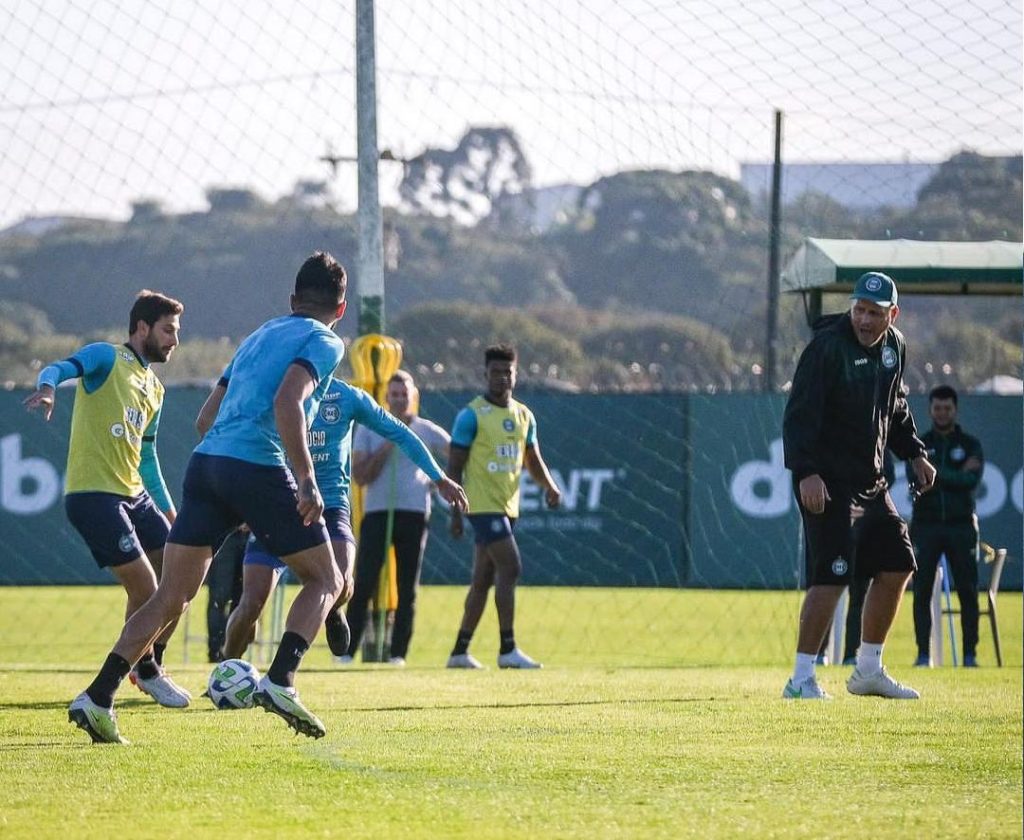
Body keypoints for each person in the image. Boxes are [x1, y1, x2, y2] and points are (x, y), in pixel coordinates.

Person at [67, 251, 467, 745]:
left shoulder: (257, 337)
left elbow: (205, 418)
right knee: (328, 577)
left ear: (292, 299)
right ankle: (281, 679)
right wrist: (303, 478)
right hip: (258, 466)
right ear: (341, 310)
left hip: (207, 463)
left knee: (171, 596)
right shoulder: (324, 340)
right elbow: (288, 401)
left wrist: (234, 495)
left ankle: (98, 695)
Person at [217, 371, 455, 665]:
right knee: (251, 603)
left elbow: (401, 432)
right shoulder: (273, 395)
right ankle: (225, 666)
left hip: (329, 508)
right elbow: (246, 447)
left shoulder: (347, 397)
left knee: (342, 582)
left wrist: (440, 478)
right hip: (278, 508)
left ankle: (296, 654)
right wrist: (246, 503)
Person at [24, 290, 191, 709]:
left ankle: (145, 663)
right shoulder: (106, 357)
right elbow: (58, 367)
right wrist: (47, 389)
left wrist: (168, 511)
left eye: (177, 331)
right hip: (94, 495)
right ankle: (145, 669)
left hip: (135, 494)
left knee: (181, 580)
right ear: (142, 328)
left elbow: (147, 457)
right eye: (168, 330)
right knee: (148, 587)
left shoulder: (155, 387)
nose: (174, 340)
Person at [782, 271, 936, 700]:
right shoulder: (826, 349)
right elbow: (798, 416)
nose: (864, 320)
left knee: (899, 564)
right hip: (828, 484)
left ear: (893, 314)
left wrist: (916, 453)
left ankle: (868, 669)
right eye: (859, 310)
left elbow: (896, 408)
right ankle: (800, 680)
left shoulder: (895, 347)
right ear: (851, 307)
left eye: (874, 313)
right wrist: (806, 472)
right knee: (832, 576)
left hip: (872, 482)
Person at [446, 344, 561, 670]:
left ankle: (459, 651)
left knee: (483, 579)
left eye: (507, 372)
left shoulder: (524, 415)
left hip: (508, 506)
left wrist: (549, 486)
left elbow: (532, 459)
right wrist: (455, 512)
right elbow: (455, 466)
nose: (501, 378)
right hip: (481, 505)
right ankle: (508, 648)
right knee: (510, 567)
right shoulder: (471, 415)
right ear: (485, 375)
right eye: (495, 372)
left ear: (516, 374)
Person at [342, 370, 451, 666]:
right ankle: (348, 652)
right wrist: (392, 441)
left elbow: (455, 453)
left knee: (407, 586)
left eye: (405, 394)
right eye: (394, 395)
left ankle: (398, 653)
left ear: (413, 396)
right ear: (386, 397)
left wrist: (439, 481)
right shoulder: (369, 429)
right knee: (363, 582)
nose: (400, 400)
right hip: (377, 513)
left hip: (414, 515)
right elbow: (361, 476)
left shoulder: (427, 429)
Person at [909, 385, 984, 667]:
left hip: (961, 525)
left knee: (967, 590)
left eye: (947, 408)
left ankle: (969, 655)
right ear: (930, 410)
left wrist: (934, 474)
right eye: (937, 408)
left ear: (955, 410)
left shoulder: (970, 444)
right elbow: (916, 480)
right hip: (926, 526)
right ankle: (923, 654)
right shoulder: (918, 445)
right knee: (922, 591)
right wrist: (951, 475)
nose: (942, 413)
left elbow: (971, 481)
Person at [204, 526, 247, 662]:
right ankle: (216, 652)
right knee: (219, 598)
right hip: (226, 534)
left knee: (244, 601)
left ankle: (233, 652)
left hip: (251, 535)